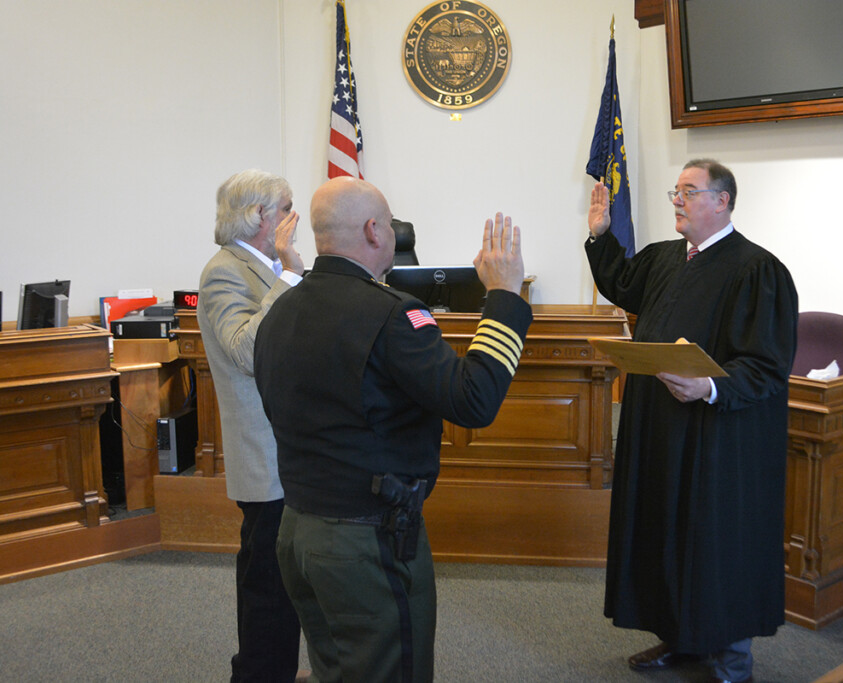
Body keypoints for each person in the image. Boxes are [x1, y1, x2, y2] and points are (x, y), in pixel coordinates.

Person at [252, 176, 532, 683]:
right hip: (365, 543)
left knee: (335, 668)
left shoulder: (279, 311)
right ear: (375, 231)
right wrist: (506, 297)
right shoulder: (392, 314)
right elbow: (473, 400)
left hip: (297, 531)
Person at [585, 159, 798, 683]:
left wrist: (709, 386)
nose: (676, 200)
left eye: (688, 191)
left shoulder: (756, 269)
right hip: (660, 428)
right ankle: (678, 639)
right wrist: (600, 237)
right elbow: (621, 283)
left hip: (718, 436)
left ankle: (731, 660)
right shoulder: (664, 257)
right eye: (674, 192)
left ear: (722, 200)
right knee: (665, 530)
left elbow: (767, 363)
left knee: (713, 540)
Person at [197, 169, 304, 682]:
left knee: (292, 581)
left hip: (297, 450)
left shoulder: (270, 266)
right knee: (267, 585)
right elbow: (245, 349)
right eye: (287, 206)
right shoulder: (224, 271)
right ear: (260, 215)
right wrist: (288, 277)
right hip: (265, 457)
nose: (295, 216)